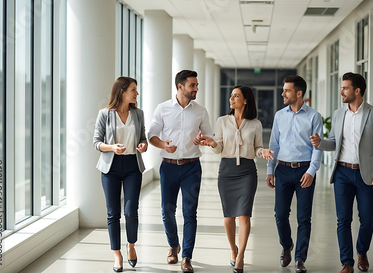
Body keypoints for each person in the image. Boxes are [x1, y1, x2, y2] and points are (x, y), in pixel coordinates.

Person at [310, 72, 373, 273]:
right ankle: (347, 262)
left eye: (345, 88)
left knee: (367, 219)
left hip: (367, 175)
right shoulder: (338, 114)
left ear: (357, 90)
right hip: (342, 174)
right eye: (341, 87)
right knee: (343, 220)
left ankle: (362, 251)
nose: (341, 91)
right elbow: (334, 143)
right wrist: (321, 144)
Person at [147, 70, 212, 273]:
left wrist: (202, 140)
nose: (196, 89)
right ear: (180, 86)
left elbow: (209, 136)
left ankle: (186, 257)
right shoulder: (163, 108)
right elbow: (151, 135)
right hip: (168, 167)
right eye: (193, 85)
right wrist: (164, 146)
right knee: (167, 211)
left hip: (192, 167)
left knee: (190, 213)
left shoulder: (201, 111)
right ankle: (173, 246)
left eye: (197, 85)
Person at [196, 85, 265, 273]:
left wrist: (263, 151)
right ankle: (232, 249)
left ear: (245, 100)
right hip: (226, 170)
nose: (231, 99)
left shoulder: (255, 124)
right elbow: (219, 148)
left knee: (244, 215)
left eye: (236, 96)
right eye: (231, 96)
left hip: (247, 171)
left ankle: (241, 255)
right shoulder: (222, 121)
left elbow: (257, 149)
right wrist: (211, 143)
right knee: (228, 217)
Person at [262, 75, 323, 273]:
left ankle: (300, 259)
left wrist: (312, 171)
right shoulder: (280, 115)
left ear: (299, 93)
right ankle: (286, 245)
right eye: (283, 90)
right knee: (280, 214)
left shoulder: (314, 117)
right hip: (283, 170)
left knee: (304, 218)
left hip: (305, 170)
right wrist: (270, 170)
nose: (283, 93)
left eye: (287, 90)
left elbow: (318, 147)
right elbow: (273, 145)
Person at [93, 76, 147, 272]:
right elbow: (96, 142)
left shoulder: (138, 113)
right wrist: (111, 147)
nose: (137, 93)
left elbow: (143, 138)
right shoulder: (104, 114)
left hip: (133, 165)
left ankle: (131, 245)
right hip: (111, 168)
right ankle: (117, 254)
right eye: (133, 89)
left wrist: (143, 145)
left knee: (131, 211)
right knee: (113, 214)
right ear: (122, 91)